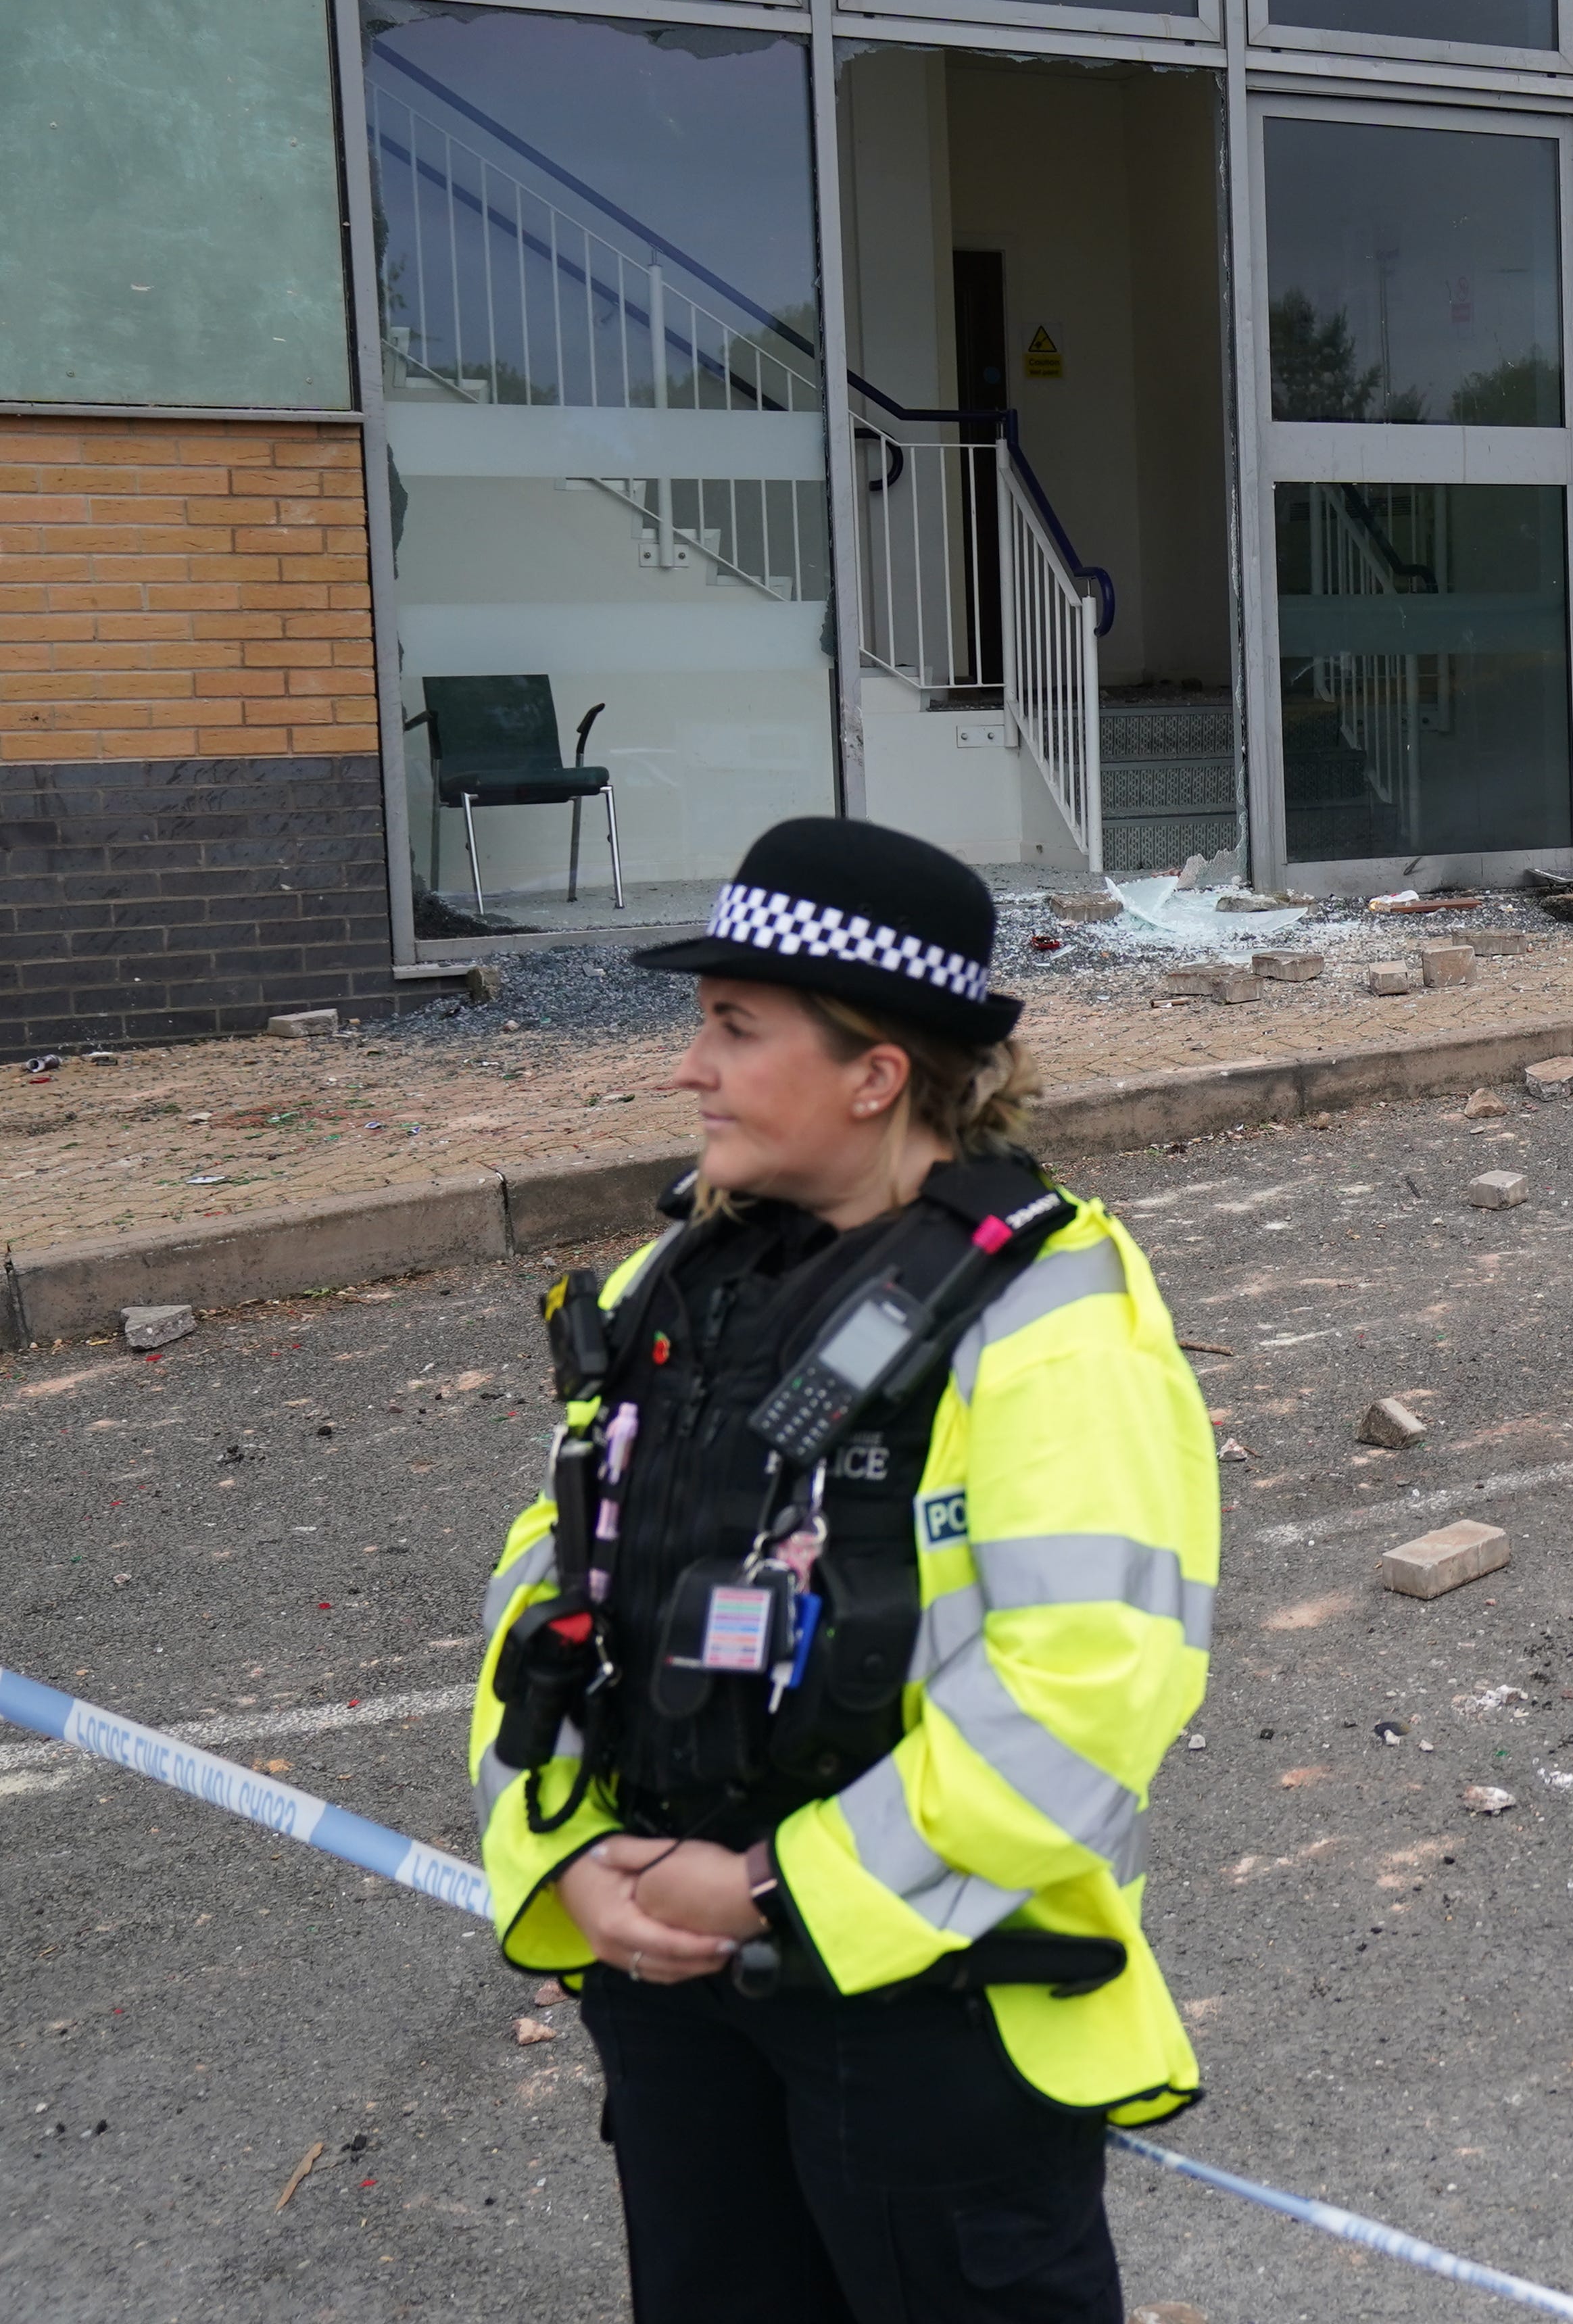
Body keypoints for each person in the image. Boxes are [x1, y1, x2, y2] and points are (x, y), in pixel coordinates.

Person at [466, 818, 1217, 2323]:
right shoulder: (662, 1285)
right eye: (702, 1025)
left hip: (930, 2018)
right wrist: (559, 1852)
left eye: (736, 1029)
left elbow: (1084, 1688)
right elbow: (547, 1584)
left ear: (877, 1071)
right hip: (675, 1991)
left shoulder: (1047, 1310)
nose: (692, 1067)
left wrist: (764, 1887)